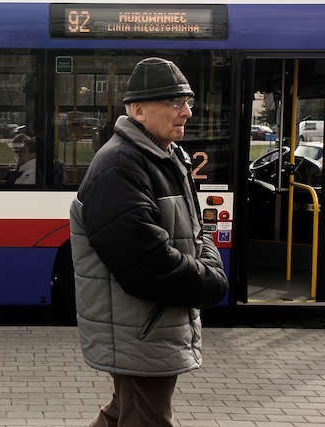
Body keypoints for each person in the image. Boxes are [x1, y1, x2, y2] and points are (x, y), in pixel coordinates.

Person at [69, 57, 228, 427]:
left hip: (147, 328)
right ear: (138, 110)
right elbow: (146, 264)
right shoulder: (121, 166)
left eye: (188, 101)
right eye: (175, 102)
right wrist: (212, 281)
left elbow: (197, 232)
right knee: (146, 418)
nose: (187, 111)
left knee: (123, 413)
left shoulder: (166, 157)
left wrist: (208, 263)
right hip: (141, 330)